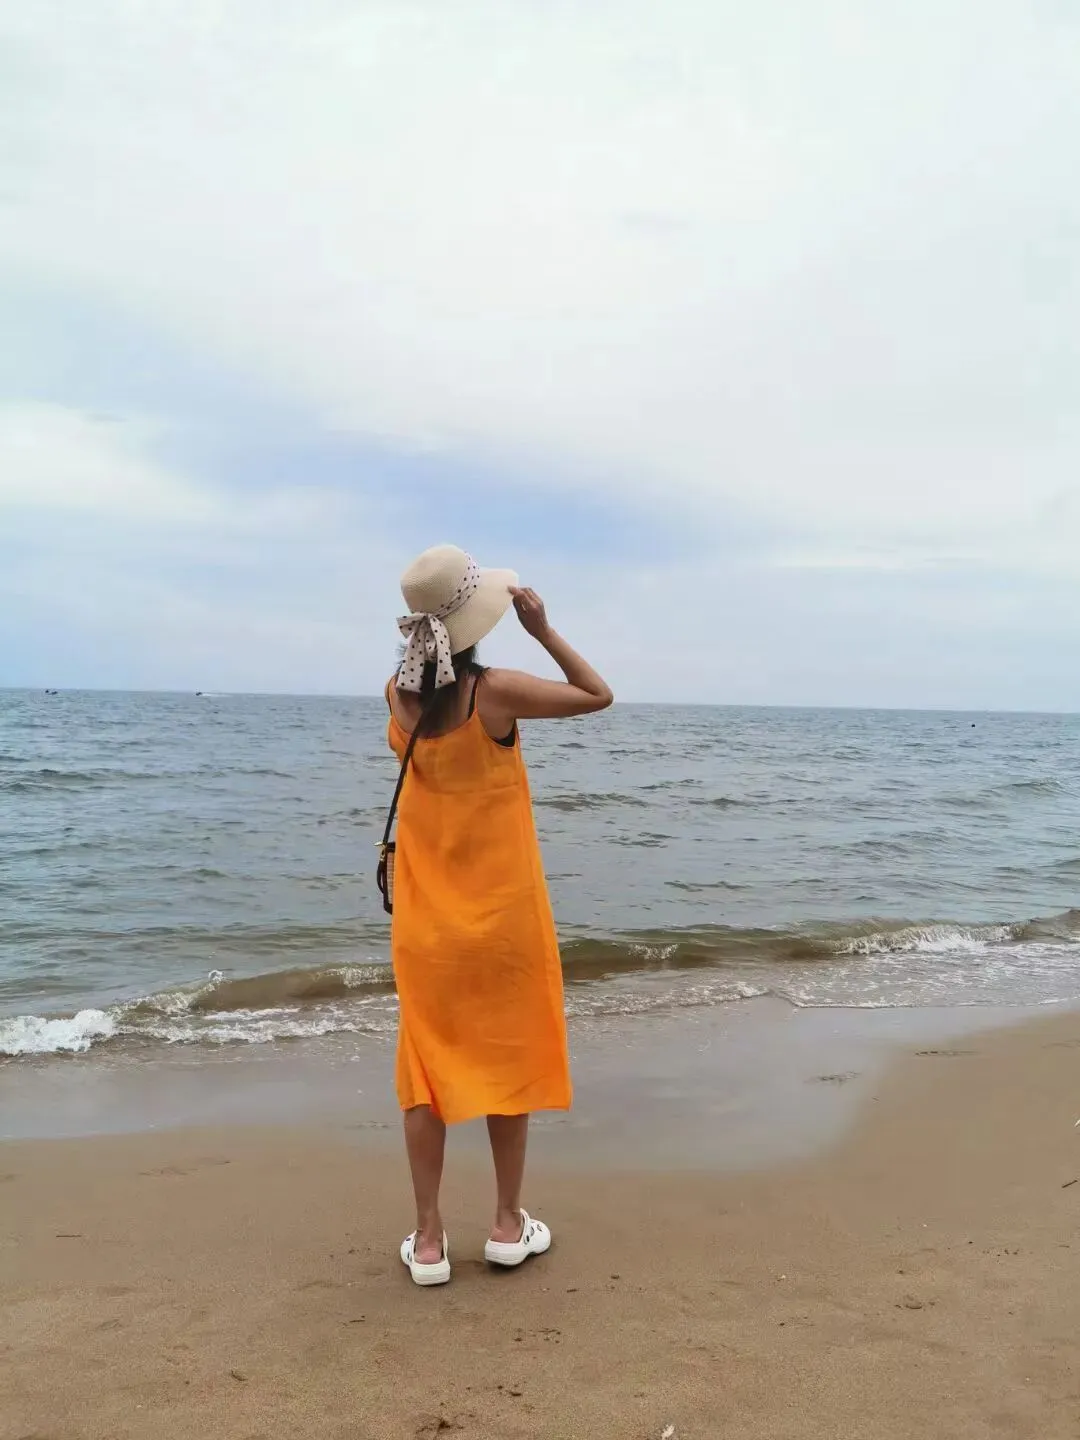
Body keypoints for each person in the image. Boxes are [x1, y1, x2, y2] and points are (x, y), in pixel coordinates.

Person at [386, 543, 613, 1286]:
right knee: (506, 1063)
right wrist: (543, 630)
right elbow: (596, 694)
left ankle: (428, 1241)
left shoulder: (397, 697)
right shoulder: (496, 695)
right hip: (502, 923)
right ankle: (508, 1225)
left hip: (426, 927)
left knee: (424, 1076)